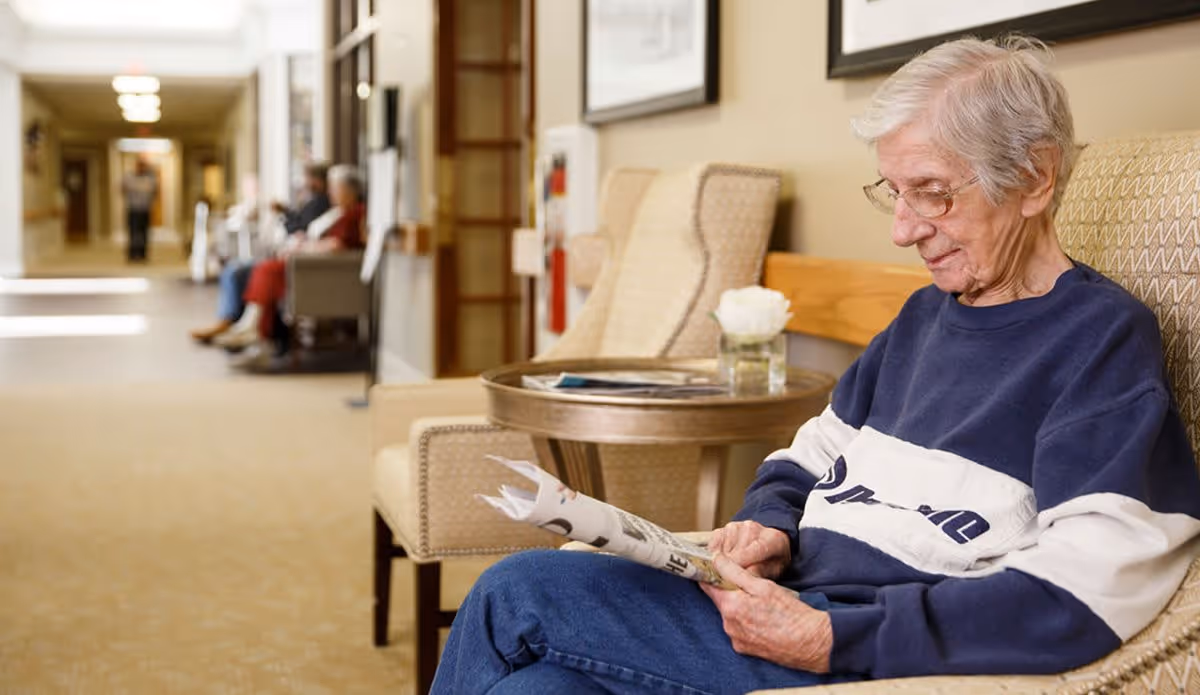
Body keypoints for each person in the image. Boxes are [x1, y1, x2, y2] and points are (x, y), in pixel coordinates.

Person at [430, 36, 1200, 694]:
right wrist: (770, 525)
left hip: (862, 654)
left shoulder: (1099, 341)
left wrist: (836, 636)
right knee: (539, 686)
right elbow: (813, 454)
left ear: (1035, 177)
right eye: (893, 193)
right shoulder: (924, 316)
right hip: (783, 604)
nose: (903, 230)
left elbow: (1085, 591)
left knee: (514, 592)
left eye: (929, 194)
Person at [229, 164, 365, 369]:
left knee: (267, 271)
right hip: (308, 267)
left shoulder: (355, 213)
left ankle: (256, 331)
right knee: (265, 270)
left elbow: (337, 245)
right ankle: (256, 331)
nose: (330, 192)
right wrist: (301, 241)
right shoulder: (336, 211)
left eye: (335, 188)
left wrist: (304, 248)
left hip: (317, 273)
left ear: (349, 190)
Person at [190, 162, 333, 343]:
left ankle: (241, 324)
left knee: (243, 271)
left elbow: (301, 229)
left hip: (299, 262)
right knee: (234, 270)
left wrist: (289, 223)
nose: (303, 182)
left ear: (317, 180)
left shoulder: (321, 203)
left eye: (307, 178)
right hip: (289, 255)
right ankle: (232, 321)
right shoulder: (311, 200)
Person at [122, 156, 158, 262]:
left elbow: (155, 191)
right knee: (133, 232)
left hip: (145, 209)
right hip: (133, 208)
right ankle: (133, 253)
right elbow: (122, 188)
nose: (141, 168)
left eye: (143, 166)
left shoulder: (150, 177)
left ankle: (142, 254)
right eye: (139, 165)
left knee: (144, 233)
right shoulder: (129, 176)